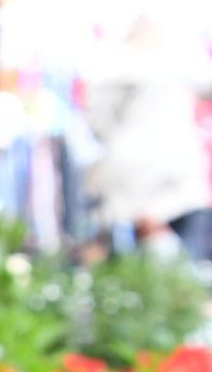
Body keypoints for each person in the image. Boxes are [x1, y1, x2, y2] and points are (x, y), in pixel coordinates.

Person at [85, 15, 212, 258]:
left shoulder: (113, 64)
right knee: (187, 253)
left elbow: (98, 124)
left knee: (132, 257)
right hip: (178, 165)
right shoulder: (181, 60)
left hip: (130, 169)